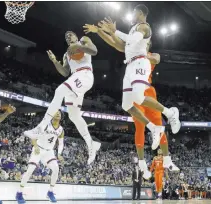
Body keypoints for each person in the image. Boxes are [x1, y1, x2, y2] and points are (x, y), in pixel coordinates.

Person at [83, 22, 179, 179]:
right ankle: (142, 163)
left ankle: (168, 159)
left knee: (158, 124)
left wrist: (137, 50)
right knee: (139, 128)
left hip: (148, 92)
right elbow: (115, 43)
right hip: (135, 92)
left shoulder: (151, 55)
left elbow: (155, 59)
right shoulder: (133, 53)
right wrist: (99, 31)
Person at [87, 4, 181, 150]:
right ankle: (154, 128)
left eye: (134, 12)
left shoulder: (144, 27)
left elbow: (131, 40)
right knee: (126, 105)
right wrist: (99, 31)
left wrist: (114, 31)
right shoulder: (133, 29)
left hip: (140, 63)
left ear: (141, 13)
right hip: (130, 65)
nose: (132, 14)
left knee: (138, 97)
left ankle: (170, 113)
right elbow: (118, 45)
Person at [24, 31, 101, 165]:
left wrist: (79, 47)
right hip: (75, 78)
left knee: (59, 90)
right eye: (66, 37)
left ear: (76, 36)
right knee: (73, 116)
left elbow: (94, 51)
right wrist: (54, 61)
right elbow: (65, 72)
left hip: (85, 75)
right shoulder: (67, 54)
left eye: (70, 35)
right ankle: (91, 144)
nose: (68, 37)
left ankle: (40, 127)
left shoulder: (83, 40)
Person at [16, 111, 65, 203]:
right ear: (52, 115)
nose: (58, 114)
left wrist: (59, 153)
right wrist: (35, 146)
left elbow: (61, 143)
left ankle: (50, 192)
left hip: (49, 152)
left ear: (61, 116)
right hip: (39, 149)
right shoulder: (45, 124)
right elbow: (34, 137)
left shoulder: (61, 130)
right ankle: (19, 193)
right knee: (30, 170)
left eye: (60, 113)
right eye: (56, 112)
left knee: (56, 169)